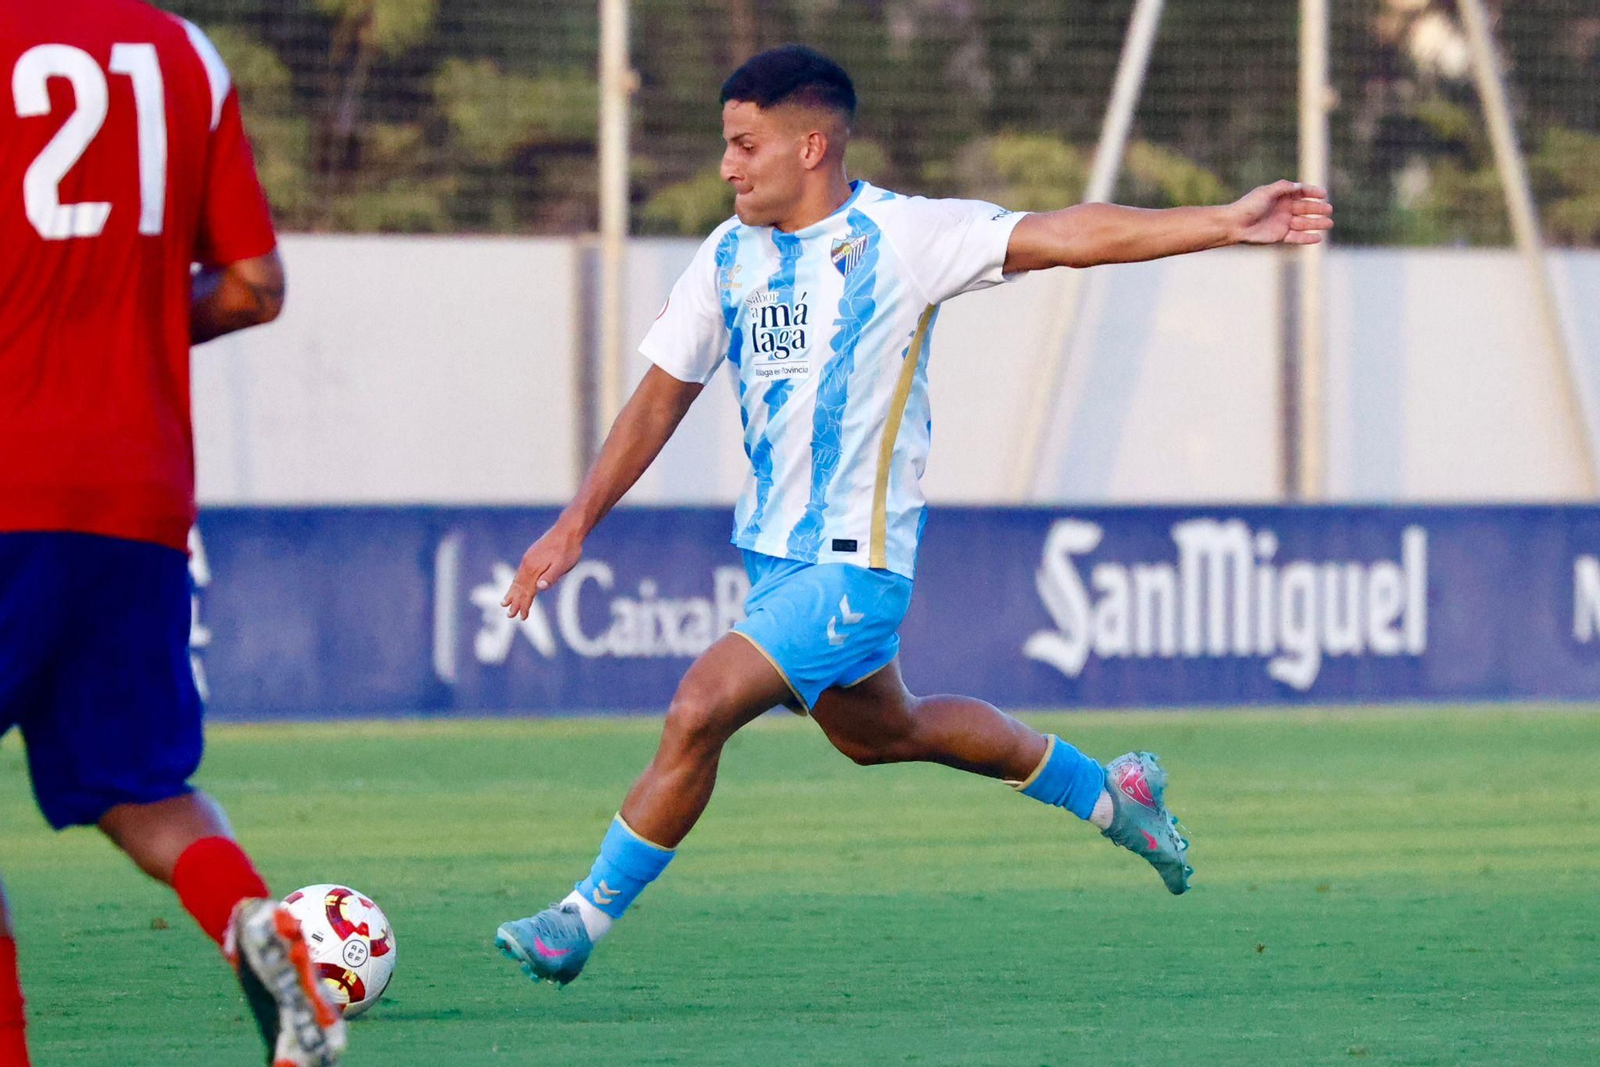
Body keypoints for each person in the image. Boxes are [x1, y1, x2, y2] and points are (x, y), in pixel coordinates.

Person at [494, 44, 1333, 986]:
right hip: (775, 562)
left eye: (745, 145)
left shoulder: (903, 236)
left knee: (699, 707)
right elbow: (660, 398)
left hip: (854, 564)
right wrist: (574, 524)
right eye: (726, 145)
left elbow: (1067, 233)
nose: (727, 166)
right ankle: (1111, 796)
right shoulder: (727, 256)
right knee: (887, 732)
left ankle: (580, 920)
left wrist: (1224, 222)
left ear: (811, 146)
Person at [0, 2, 346, 1063]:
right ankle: (251, 920)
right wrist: (133, 323)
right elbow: (254, 283)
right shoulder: (184, 54)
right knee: (144, 789)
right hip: (136, 491)